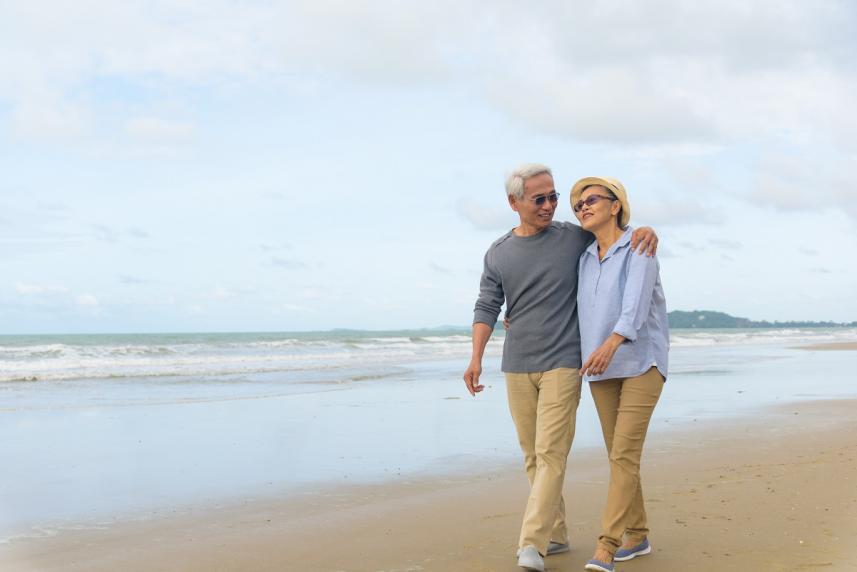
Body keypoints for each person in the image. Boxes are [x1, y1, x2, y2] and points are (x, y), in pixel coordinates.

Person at [463, 164, 658, 572]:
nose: (552, 206)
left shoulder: (572, 238)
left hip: (566, 362)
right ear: (514, 203)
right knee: (533, 456)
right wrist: (476, 356)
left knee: (552, 453)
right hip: (517, 362)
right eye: (541, 199)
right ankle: (556, 534)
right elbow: (487, 305)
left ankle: (530, 544)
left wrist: (646, 230)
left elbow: (616, 230)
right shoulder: (499, 252)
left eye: (554, 197)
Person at [569, 177, 669, 572]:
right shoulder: (583, 258)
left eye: (591, 200)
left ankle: (607, 546)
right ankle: (638, 534)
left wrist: (609, 345)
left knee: (624, 455)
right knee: (619, 456)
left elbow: (636, 307)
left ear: (616, 206)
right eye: (577, 205)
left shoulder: (639, 246)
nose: (582, 207)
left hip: (641, 362)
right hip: (601, 369)